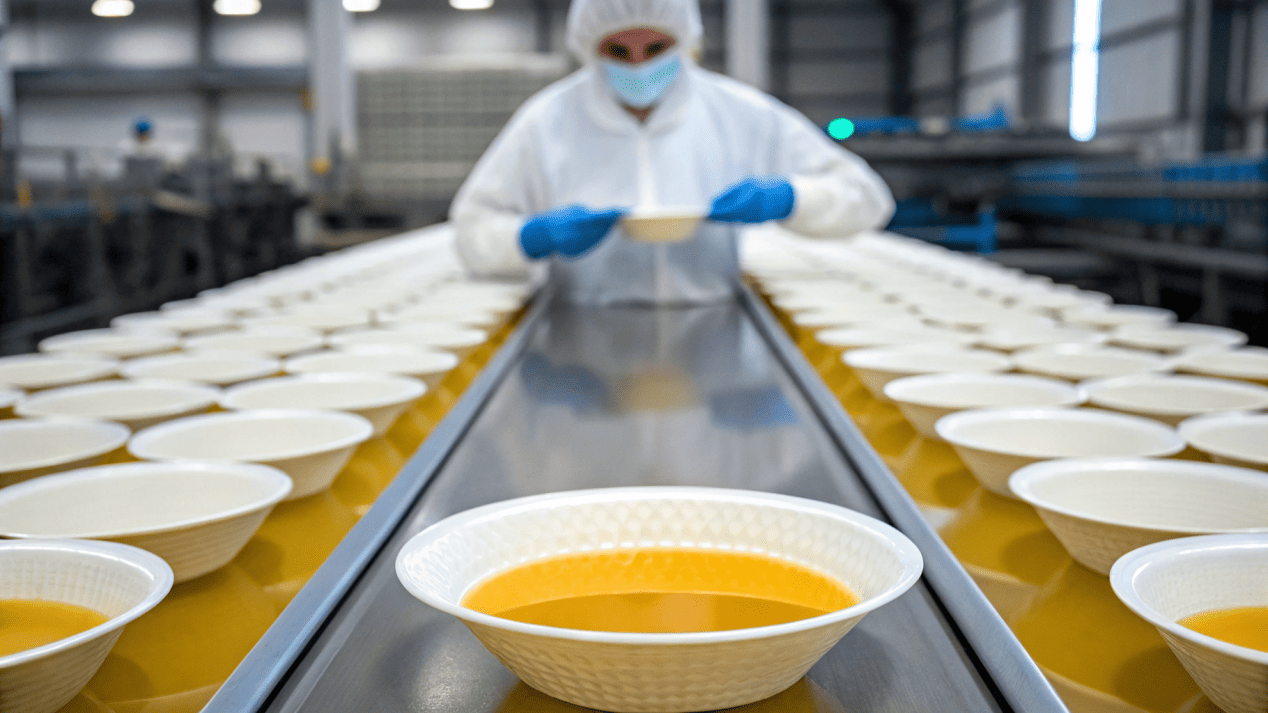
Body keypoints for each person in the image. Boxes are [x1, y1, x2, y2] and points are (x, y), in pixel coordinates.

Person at [451, 0, 894, 306]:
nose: (639, 65)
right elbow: (471, 231)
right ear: (589, 48)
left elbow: (867, 199)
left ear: (683, 41)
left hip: (711, 315)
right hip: (583, 319)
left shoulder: (738, 112)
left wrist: (790, 197)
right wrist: (530, 237)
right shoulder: (545, 122)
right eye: (618, 50)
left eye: (656, 48)